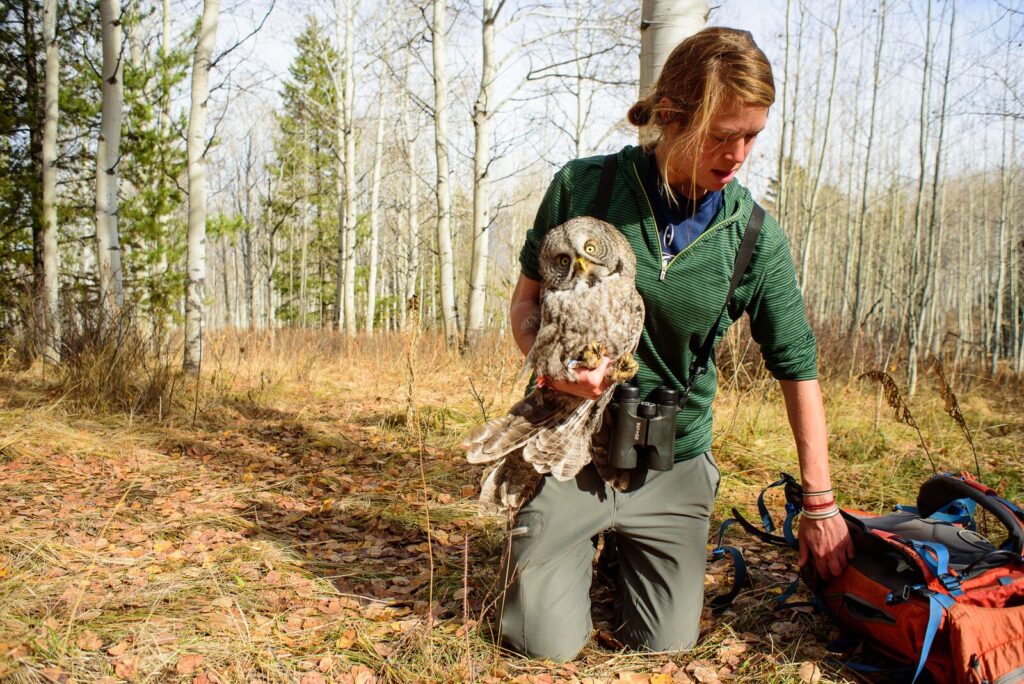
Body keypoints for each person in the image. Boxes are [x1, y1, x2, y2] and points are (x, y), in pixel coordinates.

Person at [500, 27, 855, 662]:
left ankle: (625, 556)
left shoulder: (752, 237)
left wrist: (821, 504)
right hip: (569, 446)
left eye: (752, 136)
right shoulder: (586, 189)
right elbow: (525, 305)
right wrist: (552, 368)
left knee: (663, 644)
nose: (739, 153)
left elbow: (798, 366)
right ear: (670, 118)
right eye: (723, 135)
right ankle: (569, 541)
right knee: (539, 644)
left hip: (673, 457)